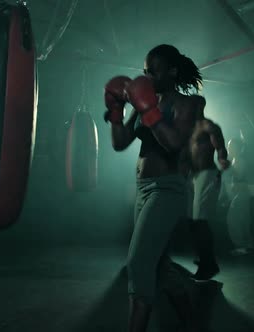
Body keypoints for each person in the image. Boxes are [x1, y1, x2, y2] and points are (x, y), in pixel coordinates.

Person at [103, 44, 203, 332]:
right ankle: (193, 324)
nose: (146, 76)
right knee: (159, 266)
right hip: (144, 189)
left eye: (154, 71)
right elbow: (120, 142)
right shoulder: (146, 100)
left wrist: (148, 108)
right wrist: (117, 109)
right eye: (145, 71)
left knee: (138, 264)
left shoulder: (191, 104)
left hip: (168, 190)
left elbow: (174, 143)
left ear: (171, 71)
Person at [184, 96, 230, 280]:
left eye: (192, 105)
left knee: (200, 220)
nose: (189, 108)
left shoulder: (207, 126)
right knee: (192, 221)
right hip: (192, 177)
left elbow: (220, 145)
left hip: (207, 174)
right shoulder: (188, 129)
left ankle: (208, 264)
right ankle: (205, 258)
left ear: (200, 106)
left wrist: (221, 158)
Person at [224, 137, 254, 255]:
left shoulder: (239, 161)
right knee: (243, 220)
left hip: (240, 195)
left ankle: (241, 246)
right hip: (240, 195)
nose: (228, 148)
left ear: (237, 148)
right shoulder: (236, 160)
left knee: (233, 220)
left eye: (231, 146)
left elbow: (239, 179)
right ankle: (249, 245)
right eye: (228, 146)